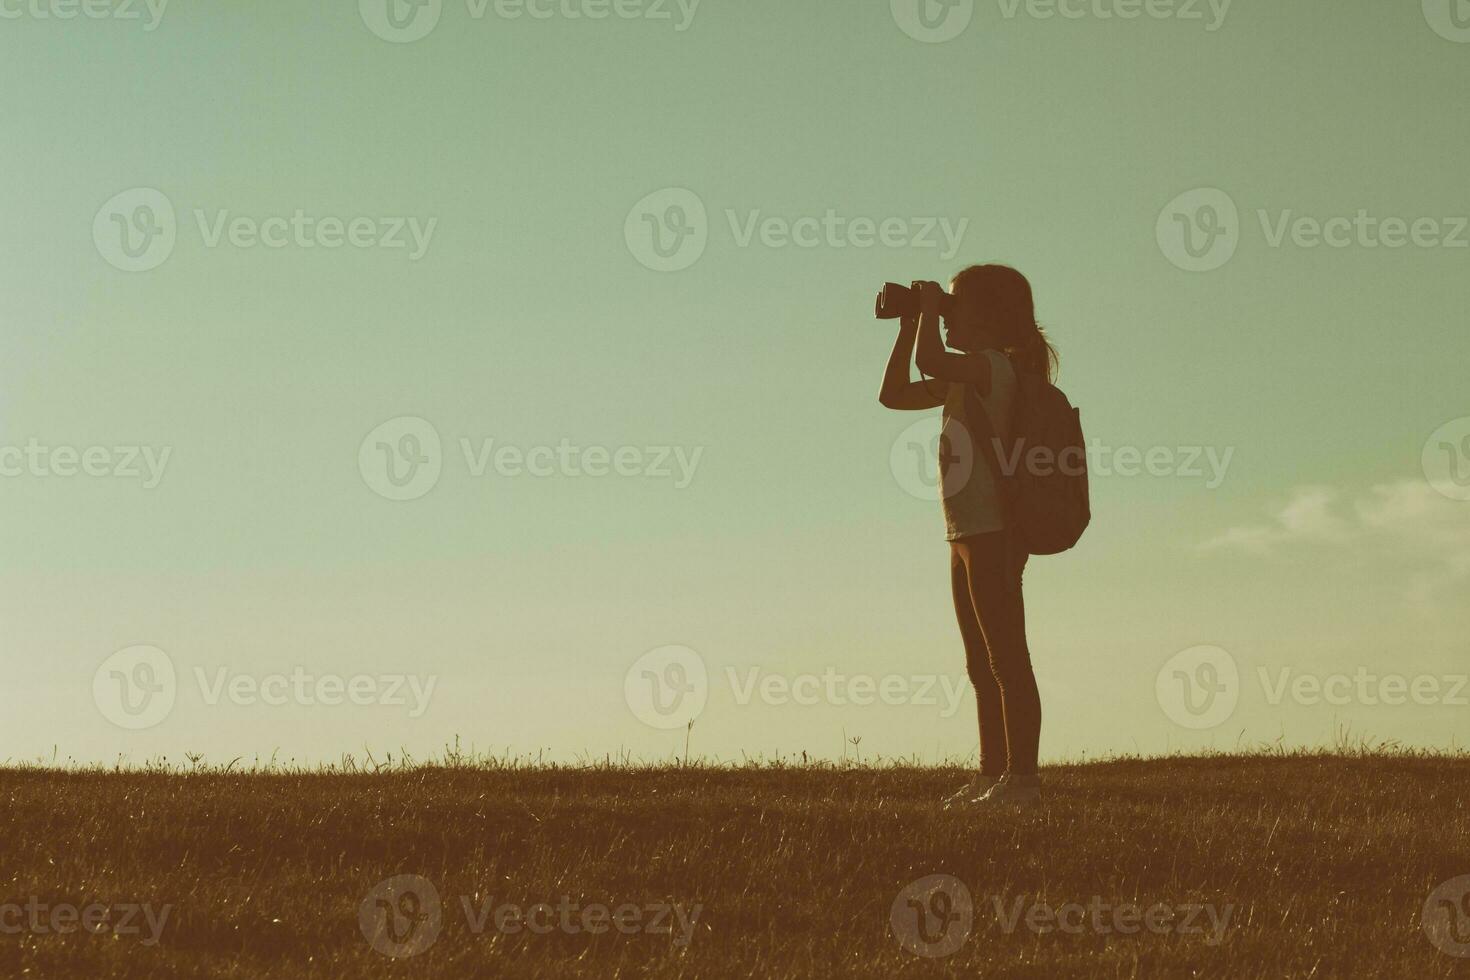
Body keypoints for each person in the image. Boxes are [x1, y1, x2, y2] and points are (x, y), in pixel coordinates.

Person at [877, 265, 1059, 806]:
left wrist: (929, 313)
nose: (948, 316)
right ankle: (992, 774)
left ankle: (1023, 782)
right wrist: (910, 322)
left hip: (994, 532)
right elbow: (893, 394)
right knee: (980, 663)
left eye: (957, 307)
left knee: (1007, 659)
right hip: (963, 532)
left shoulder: (993, 368)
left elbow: (931, 361)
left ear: (992, 318)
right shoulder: (967, 373)